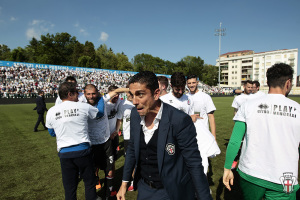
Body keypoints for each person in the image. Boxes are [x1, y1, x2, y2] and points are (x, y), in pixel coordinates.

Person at [116, 71, 212, 200]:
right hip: (144, 189)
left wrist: (205, 197)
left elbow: (193, 163)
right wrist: (124, 183)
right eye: (132, 95)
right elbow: (133, 149)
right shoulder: (134, 114)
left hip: (172, 191)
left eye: (140, 95)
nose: (134, 101)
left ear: (156, 94)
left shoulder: (179, 120)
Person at [223, 63, 300, 200]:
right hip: (284, 177)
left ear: (267, 82)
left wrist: (227, 168)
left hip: (251, 174)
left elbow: (235, 141)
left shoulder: (248, 106)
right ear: (288, 83)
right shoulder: (298, 110)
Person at [46, 82, 104, 200]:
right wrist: (100, 97)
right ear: (70, 94)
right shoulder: (83, 106)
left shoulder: (51, 111)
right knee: (89, 182)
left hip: (64, 153)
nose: (79, 95)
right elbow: (100, 114)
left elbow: (52, 133)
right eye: (77, 92)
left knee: (70, 187)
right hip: (82, 151)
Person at [84, 84, 115, 200]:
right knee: (91, 173)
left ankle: (108, 195)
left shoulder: (103, 99)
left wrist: (131, 89)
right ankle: (94, 196)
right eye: (88, 94)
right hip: (91, 144)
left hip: (106, 142)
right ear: (84, 93)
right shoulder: (81, 104)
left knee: (110, 171)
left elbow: (116, 91)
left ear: (97, 92)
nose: (91, 96)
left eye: (93, 93)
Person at [186, 75, 217, 139]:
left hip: (203, 134)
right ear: (187, 84)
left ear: (197, 82)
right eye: (189, 83)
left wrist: (214, 137)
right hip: (188, 133)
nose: (191, 85)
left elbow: (211, 117)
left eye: (193, 83)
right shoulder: (184, 97)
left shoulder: (205, 97)